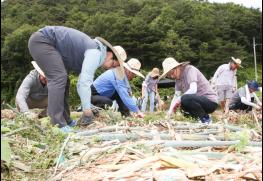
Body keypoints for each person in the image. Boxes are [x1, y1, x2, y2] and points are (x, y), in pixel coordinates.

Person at [28, 26, 127, 132]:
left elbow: (82, 82)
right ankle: (57, 123)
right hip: (43, 41)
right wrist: (87, 111)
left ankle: (66, 120)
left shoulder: (95, 51)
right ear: (109, 55)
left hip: (48, 45)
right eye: (113, 64)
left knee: (64, 80)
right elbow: (83, 84)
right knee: (59, 78)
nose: (110, 68)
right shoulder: (95, 52)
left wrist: (87, 106)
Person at [160, 57, 218, 123]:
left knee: (185, 98)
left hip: (210, 102)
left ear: (177, 67)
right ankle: (198, 119)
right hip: (198, 103)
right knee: (183, 107)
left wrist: (180, 99)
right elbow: (176, 96)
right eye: (169, 75)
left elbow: (193, 89)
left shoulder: (189, 70)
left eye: (172, 73)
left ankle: (205, 118)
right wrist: (169, 113)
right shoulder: (178, 80)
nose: (172, 76)